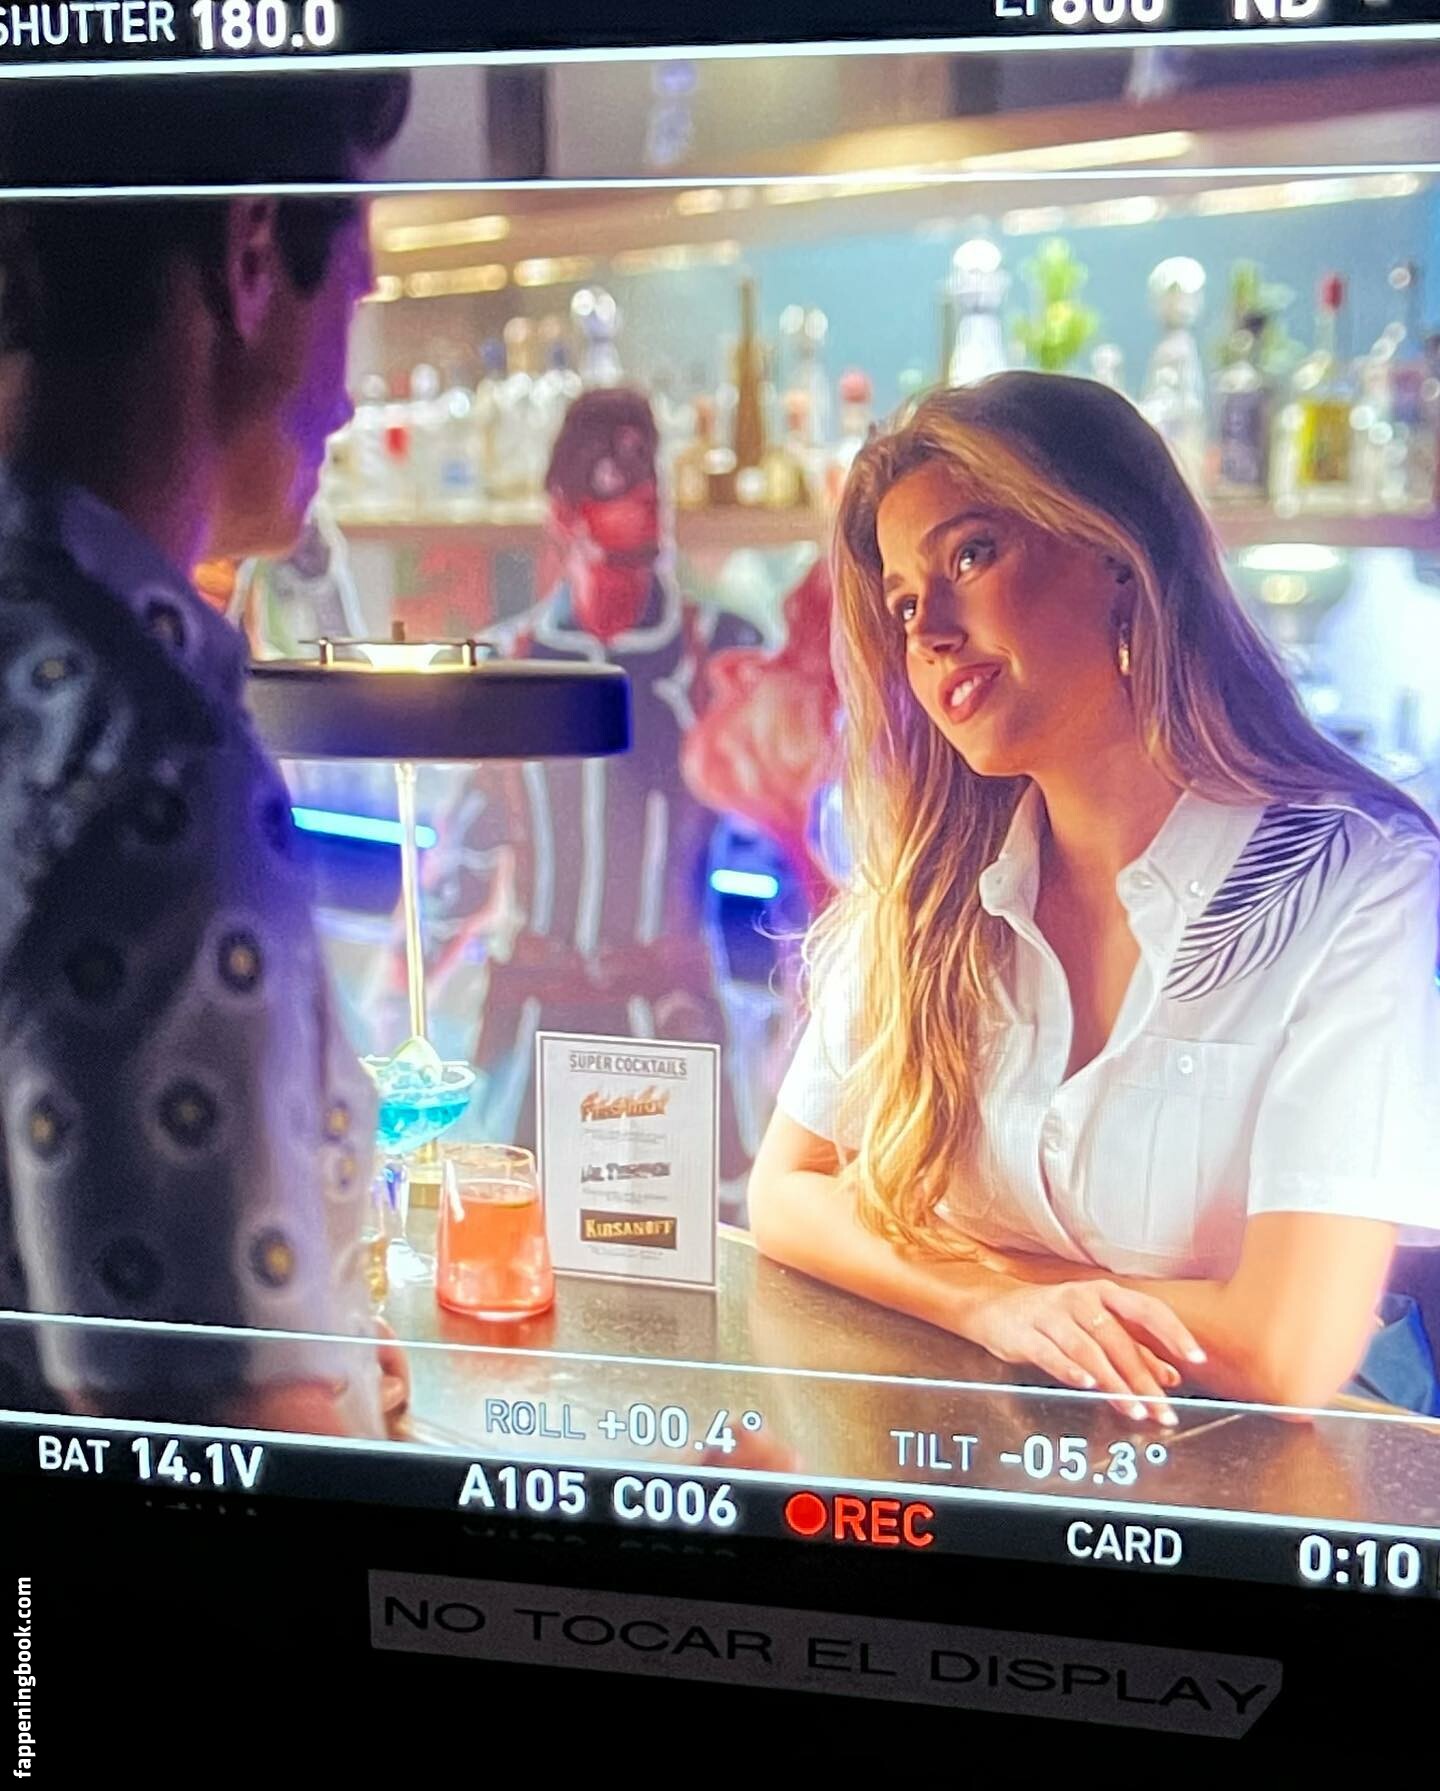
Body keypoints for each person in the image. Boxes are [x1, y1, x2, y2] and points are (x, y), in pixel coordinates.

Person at [750, 372, 1440, 1422]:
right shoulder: (931, 891)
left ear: (1117, 555)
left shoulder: (1359, 877)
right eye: (902, 603)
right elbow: (785, 1194)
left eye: (970, 555)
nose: (928, 632)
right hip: (980, 1462)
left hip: (1269, 1493)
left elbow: (1289, 1348)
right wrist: (990, 1303)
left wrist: (997, 1278)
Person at [0, 73, 412, 1435]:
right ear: (252, 253)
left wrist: (316, 1336)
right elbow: (228, 1455)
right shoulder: (160, 767)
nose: (346, 393)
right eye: (354, 289)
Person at [424, 388, 761, 1191]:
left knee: (686, 1237)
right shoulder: (507, 661)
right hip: (536, 1023)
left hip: (670, 1020)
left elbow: (792, 837)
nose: (643, 498)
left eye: (650, 476)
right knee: (521, 1230)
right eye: (612, 478)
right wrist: (398, 1005)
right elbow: (466, 858)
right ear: (563, 510)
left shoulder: (720, 653)